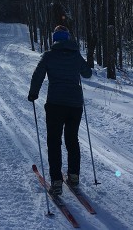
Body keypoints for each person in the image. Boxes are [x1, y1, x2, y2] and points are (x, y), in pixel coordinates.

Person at [27, 25, 92, 195]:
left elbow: (38, 74)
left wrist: (33, 93)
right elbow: (87, 74)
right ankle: (74, 175)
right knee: (72, 139)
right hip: (75, 105)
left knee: (54, 141)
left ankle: (56, 181)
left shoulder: (49, 55)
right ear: (68, 38)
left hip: (55, 104)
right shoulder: (76, 55)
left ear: (55, 39)